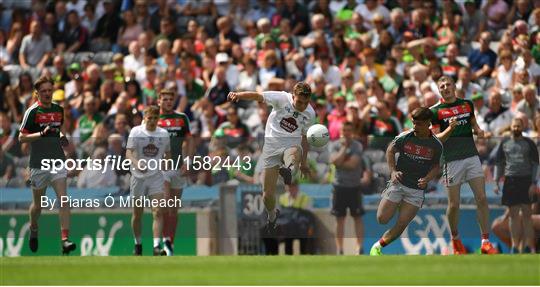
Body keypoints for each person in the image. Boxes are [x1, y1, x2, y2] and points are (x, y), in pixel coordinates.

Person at [227, 82, 314, 230]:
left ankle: (288, 169)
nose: (302, 106)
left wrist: (304, 163)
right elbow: (258, 96)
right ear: (293, 96)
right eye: (299, 102)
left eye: (306, 103)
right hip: (271, 147)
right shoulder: (281, 98)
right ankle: (272, 215)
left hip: (291, 146)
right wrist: (238, 95)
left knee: (293, 152)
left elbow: (304, 139)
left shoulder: (309, 114)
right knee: (267, 195)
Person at [430, 76, 497, 254]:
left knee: (482, 198)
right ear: (439, 90)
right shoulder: (435, 111)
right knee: (454, 205)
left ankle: (485, 242)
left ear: (455, 86)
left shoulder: (467, 104)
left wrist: (480, 132)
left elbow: (474, 125)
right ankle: (455, 238)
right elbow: (437, 139)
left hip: (471, 156)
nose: (445, 88)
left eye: (448, 84)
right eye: (442, 86)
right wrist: (450, 129)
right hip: (451, 161)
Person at [370, 107, 443, 255]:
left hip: (416, 190)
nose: (415, 127)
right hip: (398, 184)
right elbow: (390, 150)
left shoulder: (436, 145)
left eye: (419, 124)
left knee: (402, 224)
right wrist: (393, 171)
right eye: (413, 123)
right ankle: (397, 203)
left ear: (428, 123)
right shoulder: (405, 136)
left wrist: (428, 179)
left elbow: (437, 166)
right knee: (382, 219)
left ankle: (378, 246)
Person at [18, 76, 76, 255]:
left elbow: (59, 129)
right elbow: (21, 137)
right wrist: (41, 134)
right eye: (43, 91)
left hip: (57, 160)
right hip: (38, 164)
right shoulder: (32, 112)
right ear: (37, 93)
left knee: (63, 199)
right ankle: (34, 227)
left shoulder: (58, 109)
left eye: (49, 90)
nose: (47, 94)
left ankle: (65, 240)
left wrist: (62, 138)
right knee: (38, 206)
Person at [126, 105, 171, 256]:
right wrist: (137, 163)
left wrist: (166, 162)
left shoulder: (163, 134)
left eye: (155, 118)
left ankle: (156, 246)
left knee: (158, 211)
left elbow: (168, 154)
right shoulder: (136, 131)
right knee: (137, 214)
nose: (152, 121)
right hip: (138, 178)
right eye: (149, 118)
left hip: (155, 177)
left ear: (159, 119)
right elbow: (129, 154)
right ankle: (138, 243)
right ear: (144, 118)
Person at [492, 118, 539, 253]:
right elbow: (499, 163)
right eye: (514, 126)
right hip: (510, 181)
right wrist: (496, 181)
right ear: (510, 127)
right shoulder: (504, 143)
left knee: (526, 216)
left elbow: (536, 165)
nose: (516, 128)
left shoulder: (529, 143)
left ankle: (529, 247)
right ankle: (515, 246)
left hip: (526, 181)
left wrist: (533, 183)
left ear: (522, 127)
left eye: (518, 126)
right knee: (513, 216)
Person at [157, 89, 193, 256]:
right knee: (165, 204)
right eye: (165, 99)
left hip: (178, 167)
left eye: (171, 99)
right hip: (161, 169)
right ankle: (163, 242)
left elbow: (189, 140)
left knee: (174, 209)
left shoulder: (181, 118)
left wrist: (189, 161)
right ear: (159, 101)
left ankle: (170, 243)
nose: (168, 102)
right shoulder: (153, 119)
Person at [330, 121, 372, 255]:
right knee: (339, 219)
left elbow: (353, 164)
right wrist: (343, 150)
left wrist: (340, 162)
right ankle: (339, 249)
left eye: (349, 130)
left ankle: (359, 248)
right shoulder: (334, 145)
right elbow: (334, 162)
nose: (346, 133)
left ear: (352, 132)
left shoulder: (357, 145)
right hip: (339, 186)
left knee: (357, 217)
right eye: (344, 130)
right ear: (340, 131)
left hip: (354, 186)